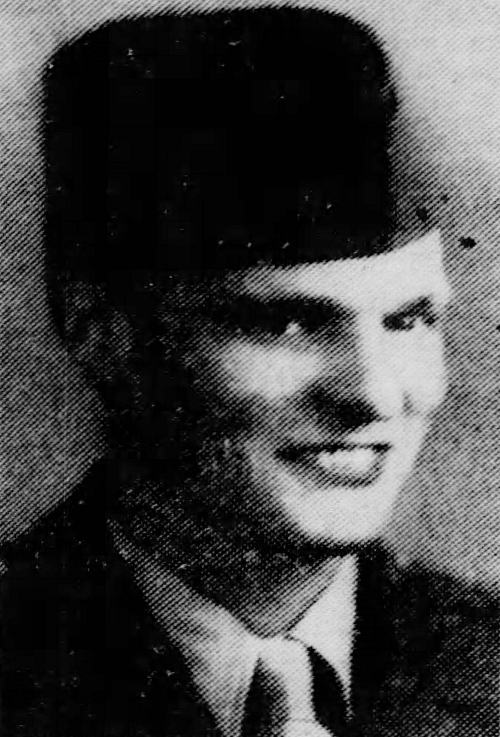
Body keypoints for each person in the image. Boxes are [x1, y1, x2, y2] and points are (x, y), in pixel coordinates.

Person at [1, 8, 498, 737]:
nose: (371, 393)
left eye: (408, 319)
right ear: (103, 337)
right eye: (288, 323)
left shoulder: (484, 663)